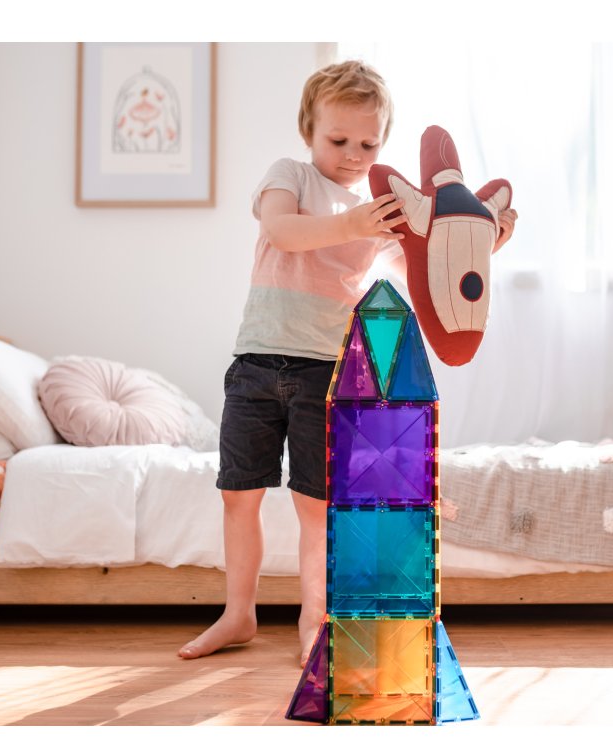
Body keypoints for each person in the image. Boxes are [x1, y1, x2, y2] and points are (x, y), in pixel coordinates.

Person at [178, 59, 517, 667]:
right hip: (257, 364)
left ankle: (314, 620)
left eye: (369, 143)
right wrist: (354, 222)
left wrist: (482, 241)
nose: (354, 155)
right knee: (239, 494)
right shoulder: (291, 177)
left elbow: (427, 268)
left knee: (317, 507)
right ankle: (238, 613)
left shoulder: (383, 212)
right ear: (309, 130)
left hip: (325, 373)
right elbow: (283, 232)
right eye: (338, 140)